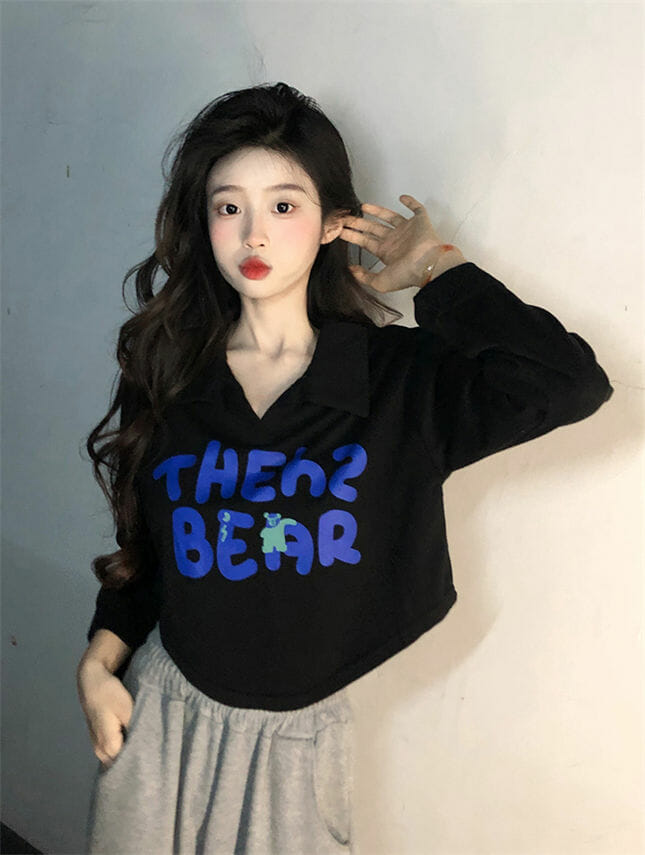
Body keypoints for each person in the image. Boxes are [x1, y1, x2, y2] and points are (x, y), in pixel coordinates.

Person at [76, 82, 613, 855]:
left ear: (333, 222)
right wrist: (98, 665)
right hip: (161, 709)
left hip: (296, 740)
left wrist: (437, 270)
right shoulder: (170, 369)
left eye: (283, 205)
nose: (254, 233)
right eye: (228, 206)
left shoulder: (394, 381)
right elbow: (148, 550)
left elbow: (567, 384)